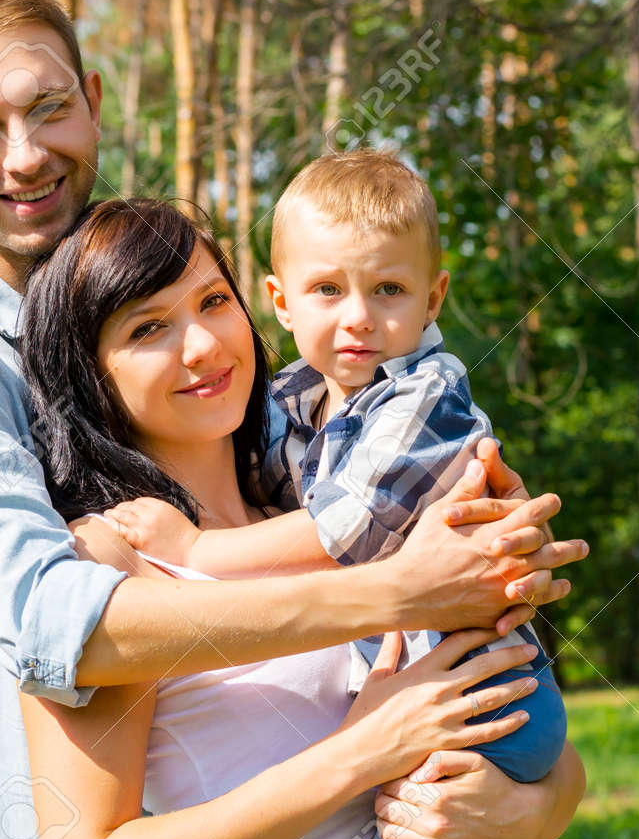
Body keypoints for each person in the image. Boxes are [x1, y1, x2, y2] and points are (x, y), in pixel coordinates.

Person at [0, 0, 587, 839]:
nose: (24, 156)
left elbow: (513, 715)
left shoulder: (291, 474)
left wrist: (528, 805)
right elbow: (60, 619)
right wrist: (394, 595)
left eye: (49, 108)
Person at [16, 196, 550, 839]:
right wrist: (363, 752)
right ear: (88, 374)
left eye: (213, 302)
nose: (205, 345)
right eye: (148, 328)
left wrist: (527, 809)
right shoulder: (99, 563)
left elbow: (544, 742)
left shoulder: (320, 510)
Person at [106, 151, 565, 795]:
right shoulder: (294, 399)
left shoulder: (426, 394)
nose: (357, 316)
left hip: (485, 689)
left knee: (427, 821)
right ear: (281, 302)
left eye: (389, 290)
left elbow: (341, 528)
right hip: (419, 688)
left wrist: (195, 548)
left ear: (433, 298)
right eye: (327, 289)